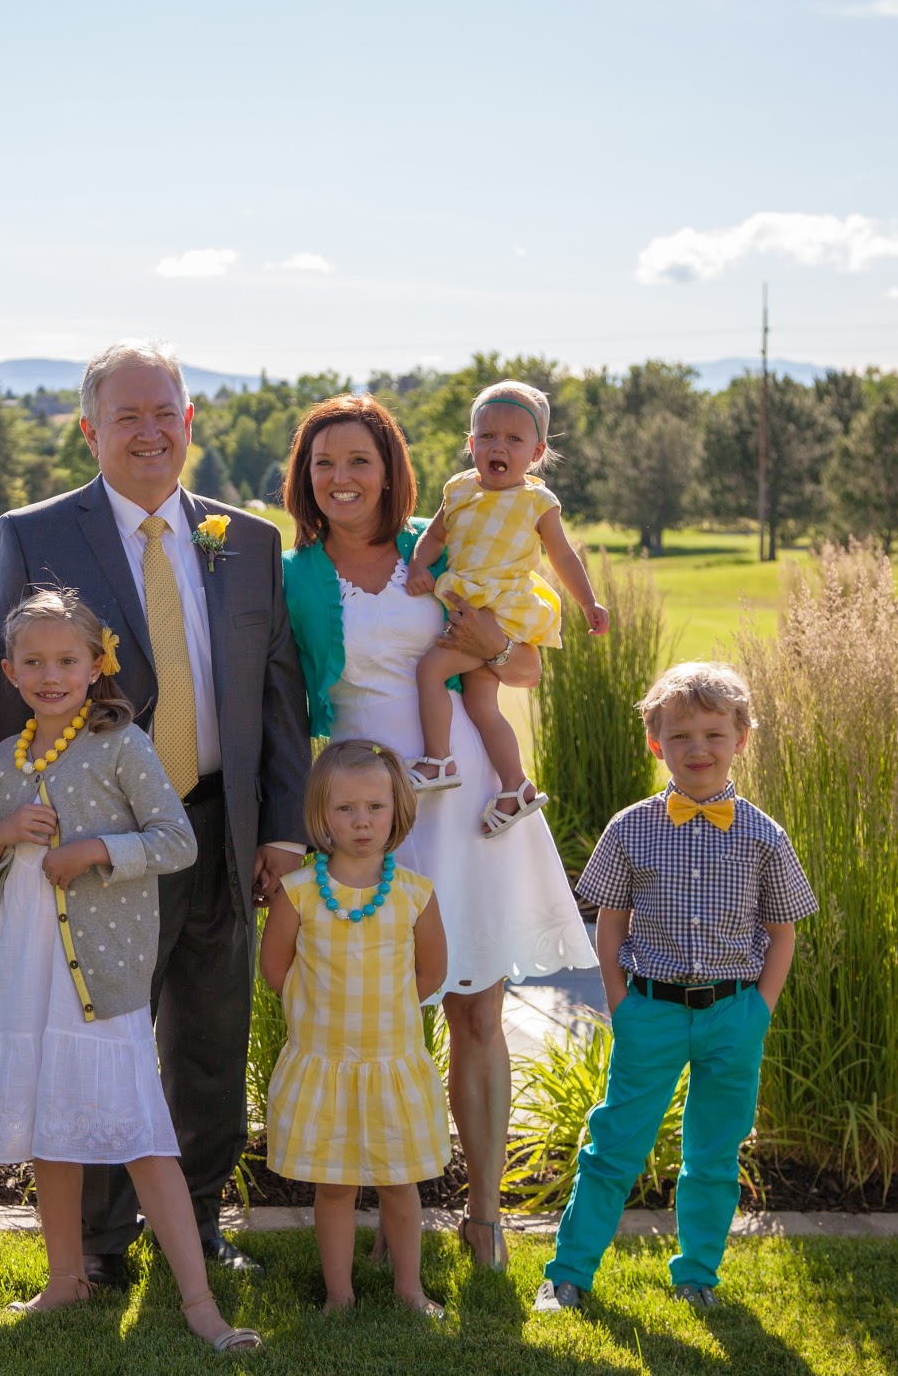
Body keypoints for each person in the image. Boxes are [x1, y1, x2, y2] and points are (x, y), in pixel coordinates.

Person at [0, 338, 310, 1284]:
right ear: (90, 432)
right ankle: (97, 1245)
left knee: (209, 1038)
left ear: (189, 422)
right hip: (96, 839)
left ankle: (197, 1229)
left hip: (218, 829)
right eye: (126, 416)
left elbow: (277, 695)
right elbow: (6, 697)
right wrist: (20, 825)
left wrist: (281, 831)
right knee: (101, 1036)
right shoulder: (37, 533)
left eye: (164, 412)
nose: (149, 431)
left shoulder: (248, 541)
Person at [280, 394, 596, 1272]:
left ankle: (484, 1218)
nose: (341, 478)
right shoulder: (293, 576)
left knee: (476, 1010)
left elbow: (525, 665)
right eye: (323, 463)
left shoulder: (453, 534)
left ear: (392, 471)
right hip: (363, 814)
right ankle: (394, 1216)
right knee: (378, 1017)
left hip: (463, 794)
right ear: (305, 479)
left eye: (359, 460)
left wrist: (492, 644)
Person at [0, 589, 260, 1354]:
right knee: (51, 1124)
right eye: (33, 662)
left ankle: (198, 1302)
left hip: (99, 974)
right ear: (9, 672)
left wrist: (96, 850)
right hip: (26, 968)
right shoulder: (4, 761)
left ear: (96, 666)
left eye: (67, 660)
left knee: (142, 1133)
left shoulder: (121, 745)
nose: (50, 675)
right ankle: (65, 1278)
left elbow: (175, 842)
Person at [537, 662, 816, 1315]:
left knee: (713, 1155)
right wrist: (620, 1002)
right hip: (651, 1012)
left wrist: (759, 1011)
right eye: (680, 735)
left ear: (741, 738)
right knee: (614, 1145)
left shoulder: (763, 835)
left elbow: (782, 932)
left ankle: (696, 1276)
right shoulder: (629, 827)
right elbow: (610, 921)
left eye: (714, 735)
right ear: (654, 743)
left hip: (733, 1015)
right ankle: (567, 1274)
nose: (698, 749)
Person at [259, 740, 449, 1318]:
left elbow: (431, 972)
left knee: (399, 1184)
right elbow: (276, 969)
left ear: (396, 811)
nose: (362, 821)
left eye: (374, 807)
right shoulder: (299, 892)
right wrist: (318, 1009)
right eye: (345, 809)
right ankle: (338, 1295)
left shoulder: (414, 894)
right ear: (321, 815)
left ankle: (409, 1289)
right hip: (325, 1064)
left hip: (391, 1065)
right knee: (335, 1186)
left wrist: (386, 1011)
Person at [403, 381, 606, 837]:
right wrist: (418, 564)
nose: (499, 447)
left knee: (430, 670)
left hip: (499, 609)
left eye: (514, 439)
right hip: (469, 601)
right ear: (471, 444)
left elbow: (562, 556)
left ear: (536, 452)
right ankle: (516, 786)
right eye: (488, 436)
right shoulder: (458, 490)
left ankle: (438, 760)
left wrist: (588, 601)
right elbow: (434, 536)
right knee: (482, 706)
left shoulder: (537, 502)